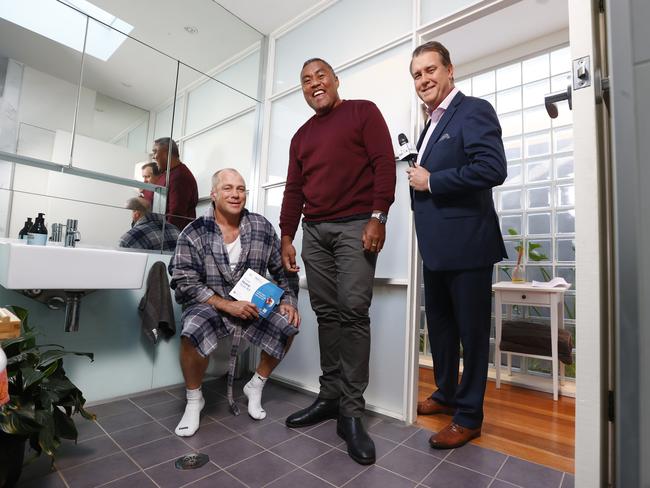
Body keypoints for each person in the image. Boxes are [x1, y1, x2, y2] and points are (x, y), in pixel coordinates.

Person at [280, 58, 396, 465]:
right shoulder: (300, 136)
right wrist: (287, 236)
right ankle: (329, 396)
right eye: (305, 79)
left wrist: (378, 216)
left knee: (352, 311)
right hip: (315, 232)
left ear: (335, 79)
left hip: (356, 227)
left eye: (320, 75)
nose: (314, 83)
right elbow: (294, 190)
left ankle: (351, 412)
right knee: (326, 313)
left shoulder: (363, 111)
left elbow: (384, 164)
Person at [407, 41, 507, 449]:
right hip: (436, 248)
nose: (424, 79)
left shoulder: (474, 110)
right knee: (442, 330)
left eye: (431, 70)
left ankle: (469, 416)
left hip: (468, 244)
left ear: (450, 70)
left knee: (470, 331)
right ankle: (447, 394)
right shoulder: (429, 122)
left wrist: (431, 181)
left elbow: (492, 168)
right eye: (417, 74)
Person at [169, 168, 300, 437]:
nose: (235, 194)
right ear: (213, 194)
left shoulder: (262, 227)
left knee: (289, 322)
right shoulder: (193, 232)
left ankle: (256, 384)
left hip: (251, 305)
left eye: (240, 189)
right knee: (191, 331)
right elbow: (183, 280)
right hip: (210, 304)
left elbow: (282, 270)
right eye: (227, 188)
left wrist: (288, 299)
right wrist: (226, 305)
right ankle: (194, 401)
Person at [150, 137, 198, 230]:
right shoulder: (168, 174)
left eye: (155, 151)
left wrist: (164, 238)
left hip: (170, 238)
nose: (153, 156)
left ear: (167, 153)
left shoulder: (179, 176)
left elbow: (176, 215)